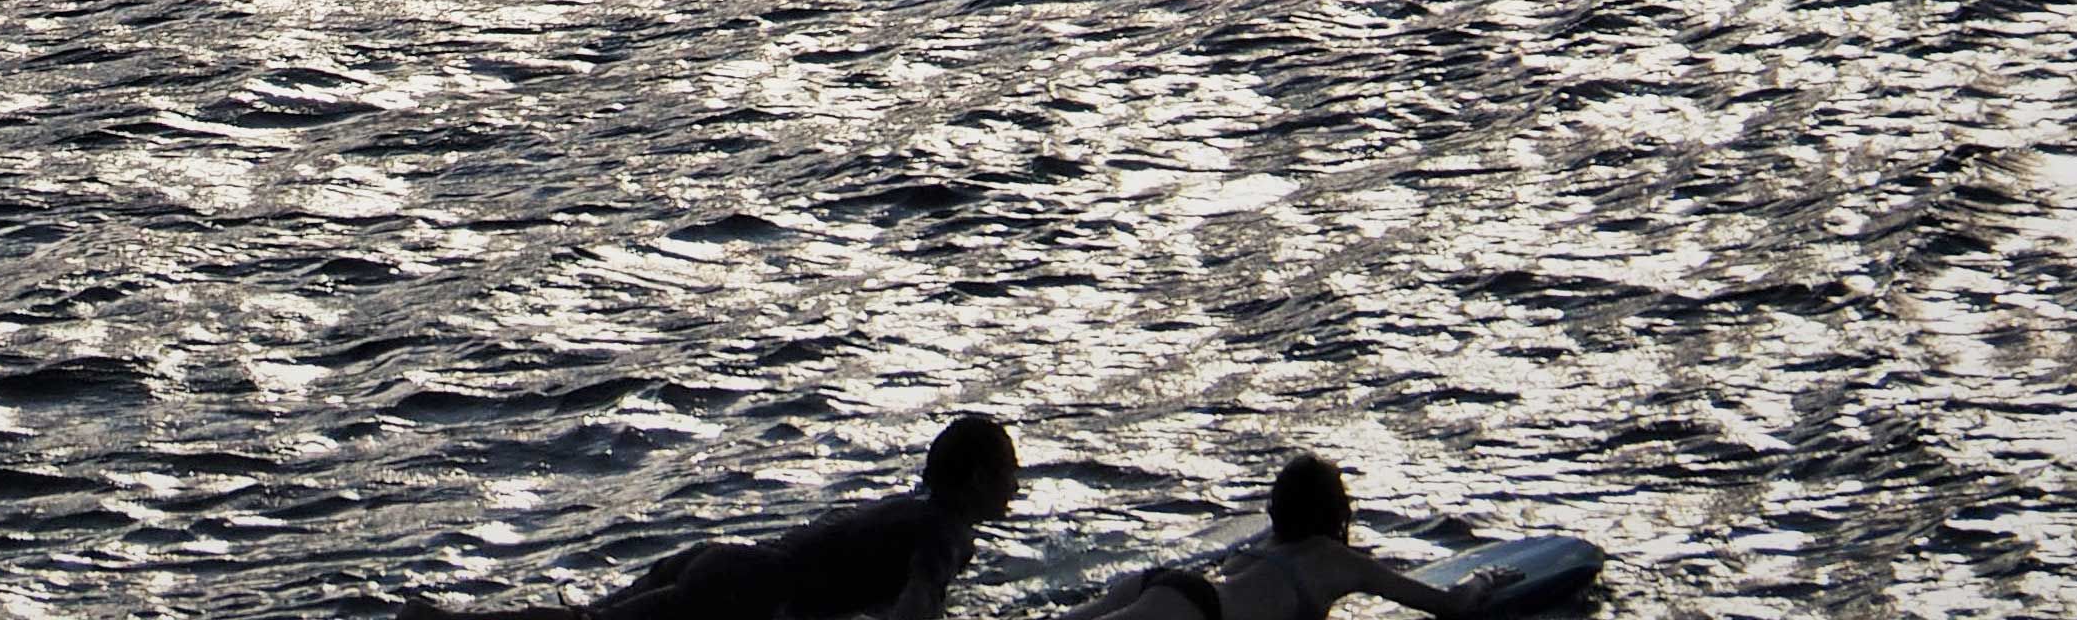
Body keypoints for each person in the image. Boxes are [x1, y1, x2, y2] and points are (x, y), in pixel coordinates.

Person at [418, 414, 1021, 620]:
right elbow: (917, 606)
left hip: (731, 563)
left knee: (587, 619)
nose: (1015, 490)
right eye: (1008, 475)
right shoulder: (947, 530)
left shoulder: (905, 511)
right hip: (746, 592)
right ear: (975, 480)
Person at [1061, 457, 1493, 620]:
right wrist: (1485, 580)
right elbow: (1450, 606)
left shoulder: (1261, 548)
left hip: (1165, 585)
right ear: (1336, 514)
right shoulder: (1334, 559)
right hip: (1196, 610)